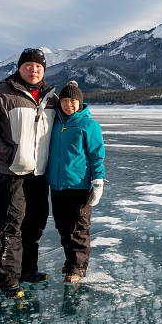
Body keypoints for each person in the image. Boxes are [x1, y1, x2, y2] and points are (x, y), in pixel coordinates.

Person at [0, 48, 58, 299]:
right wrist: (7, 154)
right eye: (29, 65)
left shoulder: (51, 98)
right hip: (13, 174)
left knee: (35, 224)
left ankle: (27, 270)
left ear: (44, 70)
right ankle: (8, 280)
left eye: (39, 67)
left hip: (40, 174)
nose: (34, 70)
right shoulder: (1, 94)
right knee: (11, 226)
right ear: (19, 68)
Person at [46, 80, 106, 283]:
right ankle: (70, 262)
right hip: (57, 185)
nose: (68, 105)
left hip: (79, 185)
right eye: (64, 101)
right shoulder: (55, 123)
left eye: (73, 101)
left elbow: (97, 155)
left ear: (80, 103)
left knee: (78, 228)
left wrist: (98, 181)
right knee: (63, 227)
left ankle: (77, 268)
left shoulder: (89, 125)